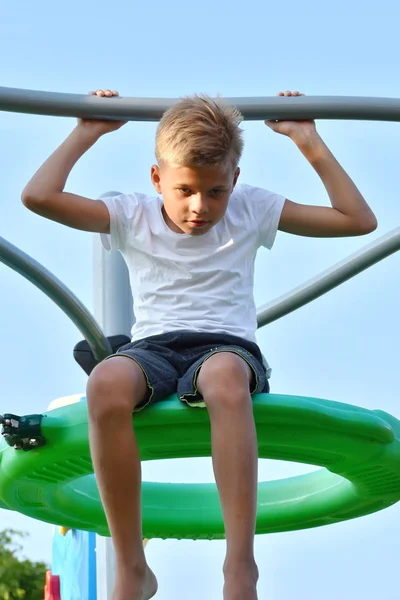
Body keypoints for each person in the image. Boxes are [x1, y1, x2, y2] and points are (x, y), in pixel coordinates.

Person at [21, 88, 377, 600]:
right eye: (185, 189)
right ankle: (132, 566)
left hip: (226, 346)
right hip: (153, 349)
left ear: (234, 180)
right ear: (156, 178)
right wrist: (85, 132)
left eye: (215, 192)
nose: (199, 207)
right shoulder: (132, 214)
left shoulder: (251, 208)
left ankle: (239, 566)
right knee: (104, 382)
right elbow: (38, 197)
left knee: (223, 376)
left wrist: (307, 139)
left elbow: (356, 220)